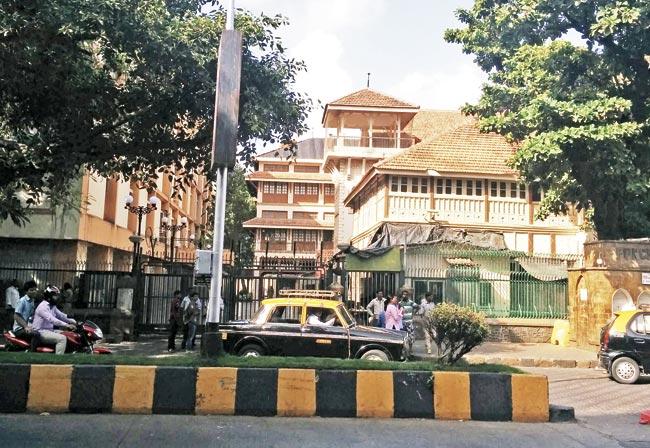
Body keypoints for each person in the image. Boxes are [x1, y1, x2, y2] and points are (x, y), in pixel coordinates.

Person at [32, 285, 76, 355]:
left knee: (70, 335)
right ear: (49, 296)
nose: (57, 298)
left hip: (49, 330)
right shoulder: (42, 307)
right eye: (55, 296)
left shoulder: (52, 306)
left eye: (57, 296)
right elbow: (52, 320)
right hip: (40, 332)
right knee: (62, 338)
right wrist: (67, 325)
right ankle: (58, 359)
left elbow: (61, 316)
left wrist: (73, 321)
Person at [12, 280, 38, 348]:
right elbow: (16, 316)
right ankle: (31, 352)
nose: (34, 291)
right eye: (31, 290)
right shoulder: (22, 301)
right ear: (26, 291)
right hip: (19, 329)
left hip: (26, 327)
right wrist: (26, 326)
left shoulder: (32, 301)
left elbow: (31, 316)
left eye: (35, 290)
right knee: (36, 335)